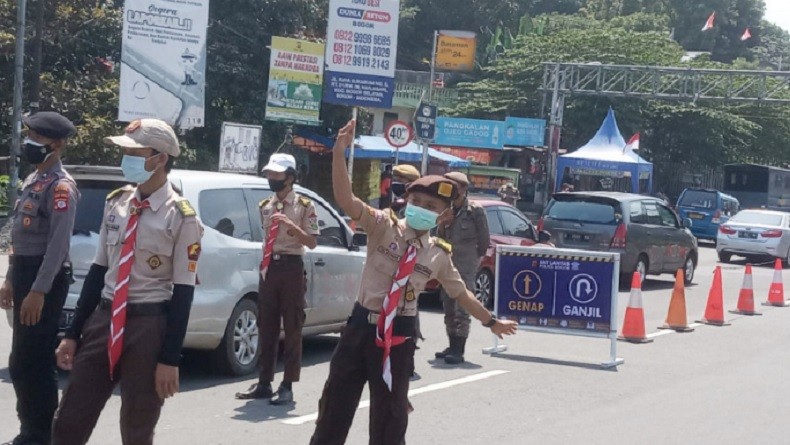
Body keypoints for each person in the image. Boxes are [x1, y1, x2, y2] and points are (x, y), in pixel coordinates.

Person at [309, 120, 517, 445]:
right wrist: (339, 153)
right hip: (360, 327)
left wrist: (491, 321)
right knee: (334, 408)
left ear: (443, 215)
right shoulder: (382, 226)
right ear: (406, 201)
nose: (421, 209)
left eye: (431, 207)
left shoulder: (437, 254)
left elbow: (461, 293)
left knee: (390, 419)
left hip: (399, 337)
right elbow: (346, 199)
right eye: (417, 202)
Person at [50, 119, 203, 445]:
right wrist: (73, 333)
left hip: (148, 326)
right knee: (69, 419)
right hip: (104, 320)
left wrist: (169, 358)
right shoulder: (116, 202)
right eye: (124, 151)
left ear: (160, 158)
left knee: (137, 425)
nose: (126, 159)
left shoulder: (182, 217)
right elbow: (97, 273)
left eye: (134, 152)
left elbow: (184, 291)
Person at [0, 111, 79, 445]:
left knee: (35, 359)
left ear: (57, 145)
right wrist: (9, 278)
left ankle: (43, 433)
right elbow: (20, 239)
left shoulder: (62, 187)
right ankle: (29, 428)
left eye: (37, 138)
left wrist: (38, 291)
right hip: (25, 274)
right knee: (20, 361)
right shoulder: (33, 179)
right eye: (29, 136)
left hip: (45, 280)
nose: (30, 143)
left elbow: (57, 247)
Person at [235, 153, 319, 405]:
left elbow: (313, 242)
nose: (271, 178)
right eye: (269, 174)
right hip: (269, 267)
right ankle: (264, 382)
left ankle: (288, 384)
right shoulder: (265, 206)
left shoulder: (305, 205)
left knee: (292, 325)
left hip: (292, 267)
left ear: (290, 177)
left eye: (277, 174)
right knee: (266, 324)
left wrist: (293, 228)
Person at [435, 172, 490, 365]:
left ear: (464, 188)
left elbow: (484, 239)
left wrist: (476, 257)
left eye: (454, 185)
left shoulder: (475, 210)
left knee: (463, 303)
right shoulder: (446, 209)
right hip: (447, 260)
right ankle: (452, 343)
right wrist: (443, 223)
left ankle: (459, 349)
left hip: (466, 261)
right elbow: (438, 236)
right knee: (448, 302)